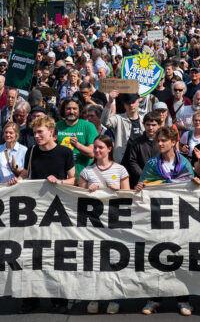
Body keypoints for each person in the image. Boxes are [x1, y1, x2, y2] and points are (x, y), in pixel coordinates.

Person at [10, 115, 75, 314]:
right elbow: (26, 174)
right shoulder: (31, 151)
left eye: (40, 132)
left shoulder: (65, 152)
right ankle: (31, 299)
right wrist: (17, 179)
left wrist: (60, 182)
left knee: (56, 254)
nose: (37, 136)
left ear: (51, 132)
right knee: (31, 254)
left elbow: (74, 179)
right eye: (35, 132)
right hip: (33, 211)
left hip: (57, 211)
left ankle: (58, 298)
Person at [136, 126, 196, 316]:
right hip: (157, 218)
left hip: (179, 218)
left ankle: (183, 300)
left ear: (173, 142)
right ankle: (154, 299)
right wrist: (140, 187)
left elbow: (191, 189)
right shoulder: (152, 165)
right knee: (156, 257)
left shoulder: (184, 163)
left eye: (163, 140)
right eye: (158, 141)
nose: (160, 144)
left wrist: (197, 184)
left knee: (180, 257)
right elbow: (143, 185)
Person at [79, 134, 130, 315]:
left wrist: (118, 191)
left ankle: (114, 298)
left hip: (115, 223)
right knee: (95, 261)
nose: (97, 150)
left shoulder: (121, 169)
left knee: (114, 260)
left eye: (101, 147)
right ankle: (94, 296)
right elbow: (78, 197)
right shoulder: (87, 171)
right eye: (95, 147)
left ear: (109, 149)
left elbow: (128, 195)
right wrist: (87, 191)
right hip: (94, 223)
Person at [55, 98, 98, 176]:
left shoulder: (89, 127)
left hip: (84, 176)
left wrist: (77, 145)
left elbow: (93, 153)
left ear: (79, 110)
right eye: (68, 109)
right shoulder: (56, 126)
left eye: (74, 109)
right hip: (60, 176)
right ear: (63, 110)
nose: (71, 112)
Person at [121, 112, 162, 186]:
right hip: (141, 182)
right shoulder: (136, 142)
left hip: (161, 180)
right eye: (148, 125)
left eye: (153, 125)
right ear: (143, 124)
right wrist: (143, 174)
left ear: (159, 125)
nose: (150, 128)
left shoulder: (164, 142)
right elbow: (132, 161)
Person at [102, 91, 144, 161]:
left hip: (139, 160)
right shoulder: (118, 118)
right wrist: (110, 102)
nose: (131, 105)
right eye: (128, 103)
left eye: (133, 102)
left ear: (138, 102)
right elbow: (104, 122)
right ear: (124, 105)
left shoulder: (144, 120)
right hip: (123, 160)